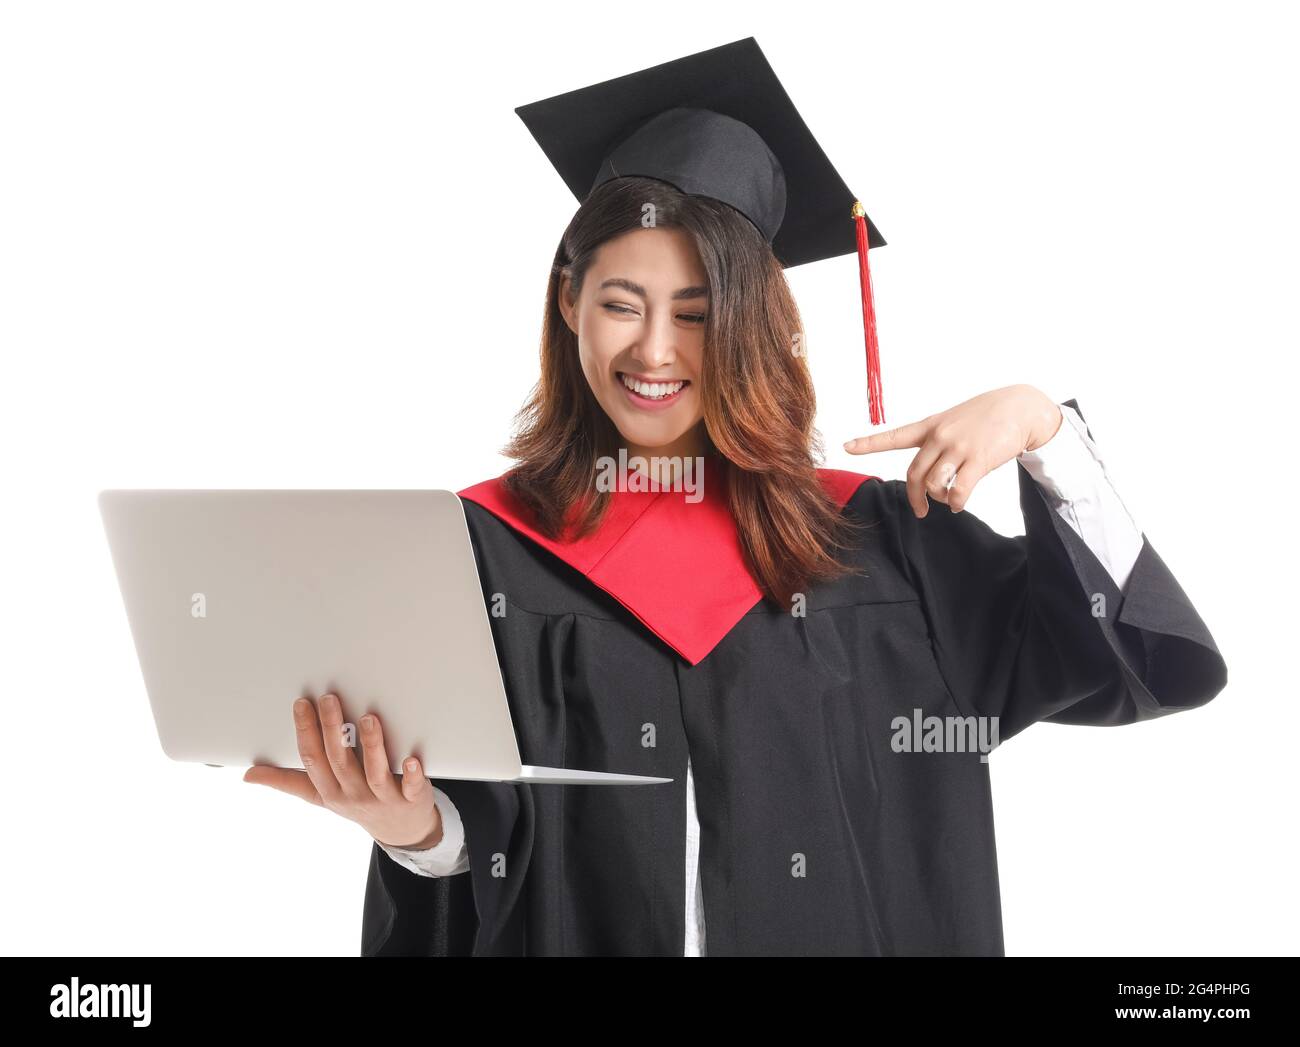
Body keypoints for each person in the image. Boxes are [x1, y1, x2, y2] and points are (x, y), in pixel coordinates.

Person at [244, 38, 1227, 956]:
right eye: (621, 304)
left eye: (697, 314)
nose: (654, 351)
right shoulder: (486, 549)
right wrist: (418, 833)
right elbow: (480, 839)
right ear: (568, 304)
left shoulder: (880, 543)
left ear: (754, 328)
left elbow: (1128, 661)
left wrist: (1042, 431)